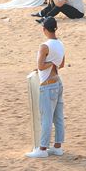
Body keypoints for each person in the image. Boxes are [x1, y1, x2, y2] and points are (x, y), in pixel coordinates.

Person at [26, 16, 66, 159]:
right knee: (58, 117)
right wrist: (53, 63)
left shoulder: (45, 46)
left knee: (47, 118)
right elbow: (61, 64)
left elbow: (40, 66)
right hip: (57, 82)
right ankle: (58, 147)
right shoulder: (60, 43)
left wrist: (50, 63)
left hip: (48, 85)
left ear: (44, 29)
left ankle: (42, 148)